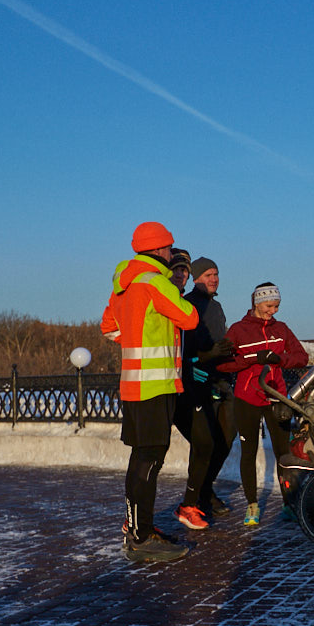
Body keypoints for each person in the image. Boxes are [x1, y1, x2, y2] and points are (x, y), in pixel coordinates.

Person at [101, 221, 198, 562]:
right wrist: (172, 289)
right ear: (159, 250)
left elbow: (108, 327)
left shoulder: (124, 284)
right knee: (150, 460)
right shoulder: (155, 281)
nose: (171, 254)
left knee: (140, 458)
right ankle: (141, 538)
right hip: (156, 386)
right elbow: (190, 318)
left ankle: (136, 527)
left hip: (132, 383)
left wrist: (136, 340)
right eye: (170, 249)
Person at [217, 283, 309, 526]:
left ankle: (289, 504)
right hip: (246, 398)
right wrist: (251, 359)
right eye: (269, 306)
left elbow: (302, 357)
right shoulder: (238, 330)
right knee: (249, 452)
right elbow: (223, 364)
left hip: (276, 397)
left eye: (276, 306)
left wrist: (281, 359)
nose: (273, 311)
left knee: (283, 453)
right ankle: (252, 505)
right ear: (257, 303)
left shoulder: (281, 329)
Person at [171, 256, 237, 530]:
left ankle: (204, 490)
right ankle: (194, 499)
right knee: (205, 443)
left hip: (220, 381)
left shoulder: (216, 306)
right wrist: (206, 355)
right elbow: (184, 352)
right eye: (208, 274)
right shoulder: (187, 306)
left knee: (226, 440)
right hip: (195, 385)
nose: (214, 278)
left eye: (216, 274)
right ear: (196, 278)